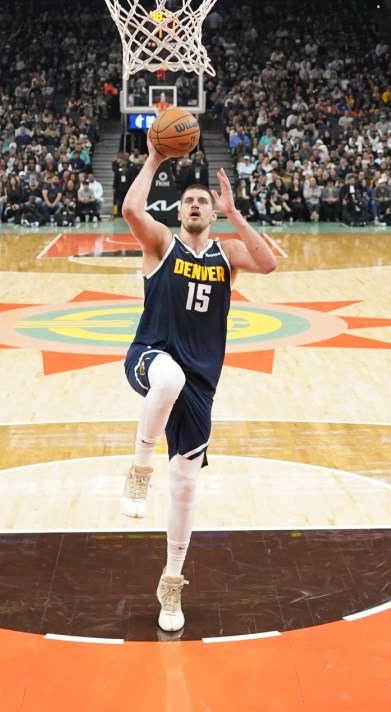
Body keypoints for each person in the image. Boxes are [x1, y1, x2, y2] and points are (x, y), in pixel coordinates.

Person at [119, 135, 277, 632]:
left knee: (186, 486)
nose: (193, 205)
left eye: (202, 202)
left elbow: (270, 262)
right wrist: (154, 158)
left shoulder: (227, 255)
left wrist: (236, 213)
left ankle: (171, 582)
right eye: (188, 200)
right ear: (179, 209)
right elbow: (129, 208)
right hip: (150, 356)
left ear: (211, 214)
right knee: (167, 376)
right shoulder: (160, 244)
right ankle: (140, 469)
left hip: (202, 383)